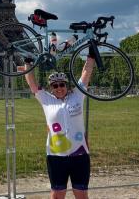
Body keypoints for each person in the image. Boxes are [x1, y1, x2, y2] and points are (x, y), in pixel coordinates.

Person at [25, 54, 95, 199]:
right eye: (55, 85)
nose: (59, 88)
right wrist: (28, 63)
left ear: (66, 85)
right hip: (56, 156)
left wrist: (91, 55)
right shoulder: (46, 99)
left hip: (79, 155)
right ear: (51, 88)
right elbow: (32, 84)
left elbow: (86, 73)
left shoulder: (77, 95)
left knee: (81, 194)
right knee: (57, 195)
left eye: (62, 84)